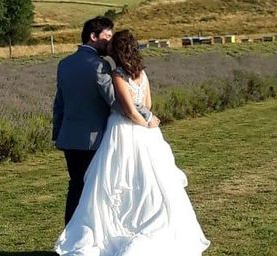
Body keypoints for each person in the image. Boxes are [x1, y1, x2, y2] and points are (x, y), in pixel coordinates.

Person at [54, 29, 210, 255]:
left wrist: (143, 122)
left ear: (116, 51)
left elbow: (127, 109)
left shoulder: (117, 75)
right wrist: (148, 122)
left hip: (123, 131)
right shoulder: (142, 74)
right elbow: (146, 104)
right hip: (146, 134)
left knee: (115, 178)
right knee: (146, 179)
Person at [53, 17, 158, 226]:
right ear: (93, 36)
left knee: (75, 186)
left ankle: (71, 234)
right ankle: (90, 235)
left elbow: (59, 103)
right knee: (95, 189)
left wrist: (57, 133)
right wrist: (146, 115)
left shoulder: (64, 64)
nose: (109, 43)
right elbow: (116, 101)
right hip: (94, 139)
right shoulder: (98, 66)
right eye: (107, 37)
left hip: (69, 138)